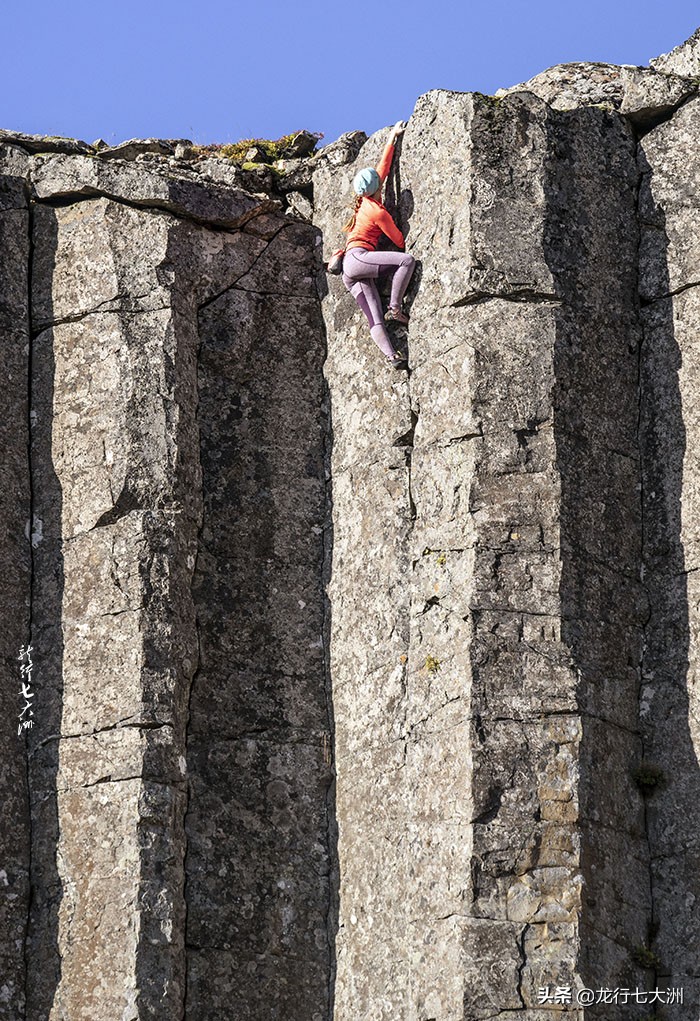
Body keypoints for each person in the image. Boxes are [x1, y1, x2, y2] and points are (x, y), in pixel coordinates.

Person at [340, 121, 416, 369]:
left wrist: (392, 138)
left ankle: (392, 357)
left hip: (350, 271)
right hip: (359, 259)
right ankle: (395, 308)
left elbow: (383, 169)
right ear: (377, 189)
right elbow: (399, 241)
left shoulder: (363, 201)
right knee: (406, 261)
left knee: (374, 316)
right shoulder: (376, 211)